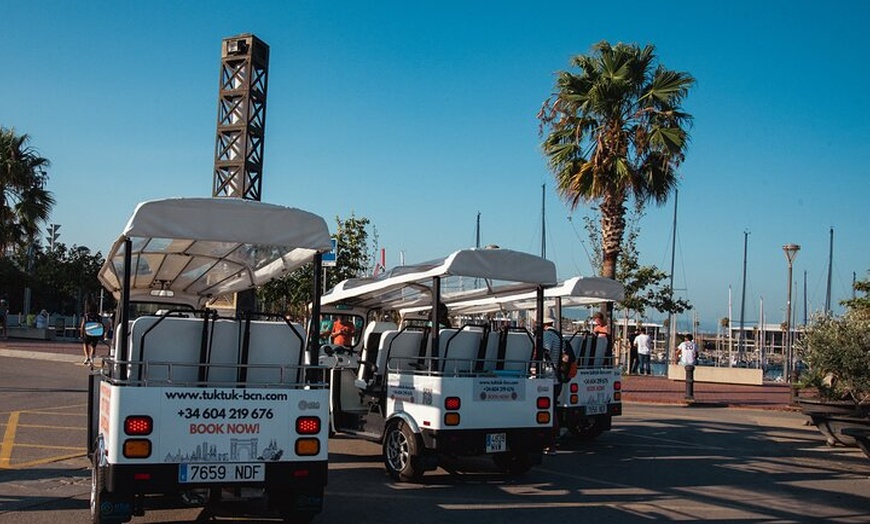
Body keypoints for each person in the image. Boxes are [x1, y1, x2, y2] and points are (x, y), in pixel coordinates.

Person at [541, 316, 575, 455]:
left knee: (548, 412)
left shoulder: (547, 335)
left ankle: (549, 443)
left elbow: (545, 351)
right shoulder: (559, 336)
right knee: (553, 409)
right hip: (557, 378)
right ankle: (552, 442)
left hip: (548, 376)